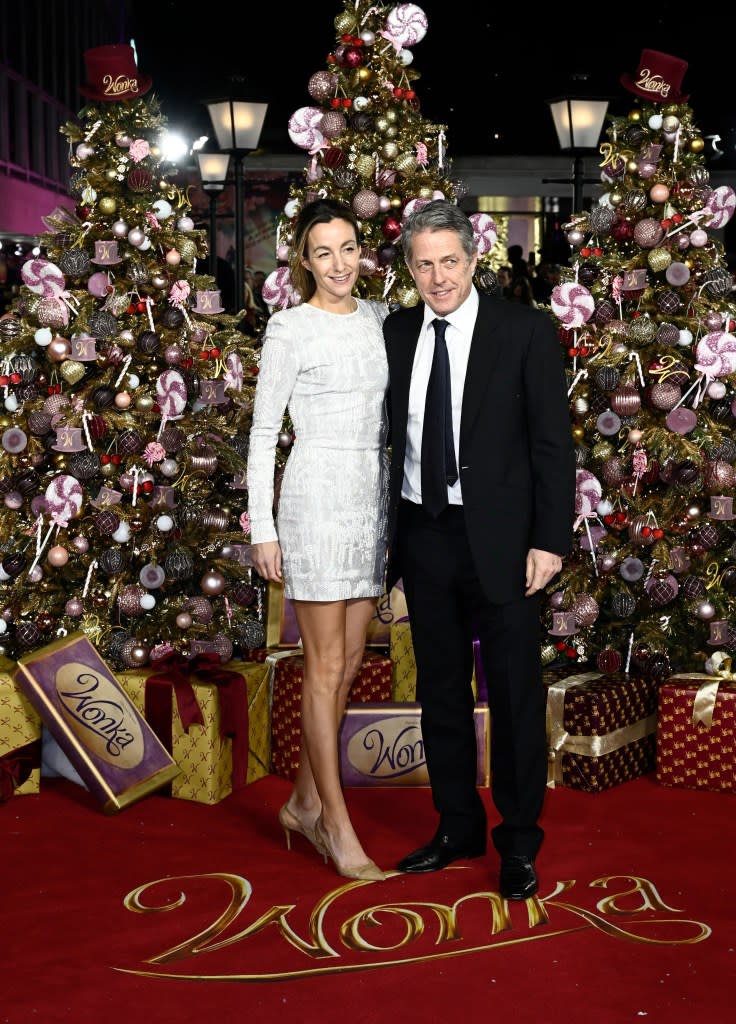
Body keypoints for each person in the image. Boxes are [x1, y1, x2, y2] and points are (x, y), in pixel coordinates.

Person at [383, 200, 575, 899]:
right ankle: (456, 823)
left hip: (505, 546)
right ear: (410, 267)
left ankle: (519, 842)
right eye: (424, 264)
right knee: (439, 693)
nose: (438, 277)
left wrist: (549, 541)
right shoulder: (397, 332)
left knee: (516, 696)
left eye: (450, 262)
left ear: (474, 261)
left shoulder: (522, 331)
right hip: (424, 535)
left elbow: (554, 444)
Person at [247, 198, 389, 882]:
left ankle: (303, 801)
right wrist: (263, 527)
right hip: (316, 498)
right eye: (323, 251)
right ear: (304, 261)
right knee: (325, 667)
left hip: (371, 499)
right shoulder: (288, 329)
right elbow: (262, 433)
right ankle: (336, 825)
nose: (339, 263)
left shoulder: (381, 320)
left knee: (353, 657)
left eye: (349, 247)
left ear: (364, 252)